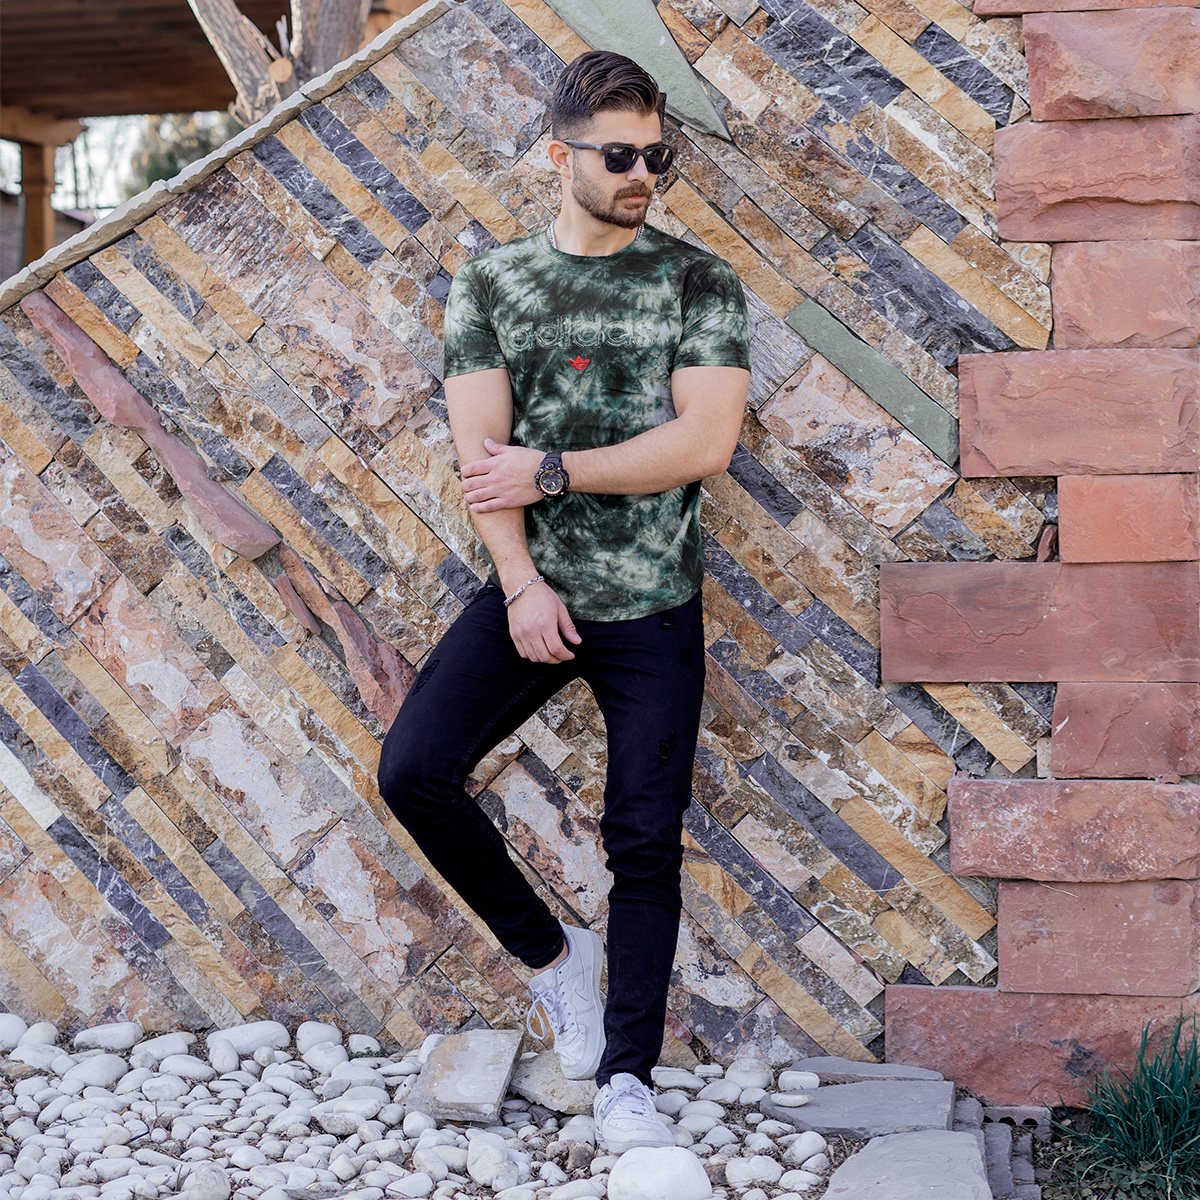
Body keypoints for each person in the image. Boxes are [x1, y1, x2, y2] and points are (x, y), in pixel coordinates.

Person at [377, 49, 751, 1153]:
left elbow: (706, 442)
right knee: (413, 771)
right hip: (531, 591)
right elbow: (480, 462)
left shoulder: (698, 282)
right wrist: (523, 582)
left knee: (644, 840)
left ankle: (627, 1077)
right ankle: (553, 959)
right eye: (621, 156)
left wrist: (554, 471)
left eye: (659, 157)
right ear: (560, 155)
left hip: (652, 602)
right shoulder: (494, 284)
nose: (644, 176)